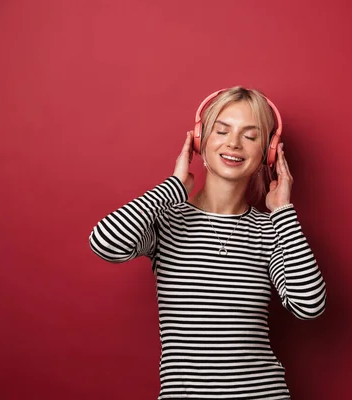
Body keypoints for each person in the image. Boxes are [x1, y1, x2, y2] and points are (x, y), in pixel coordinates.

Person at [89, 86, 327, 399]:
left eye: (250, 136)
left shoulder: (271, 230)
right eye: (222, 130)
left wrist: (282, 212)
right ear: (200, 141)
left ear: (268, 153)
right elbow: (105, 243)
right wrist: (174, 187)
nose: (233, 143)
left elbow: (309, 306)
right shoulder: (168, 221)